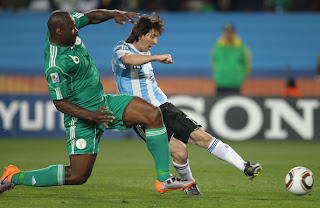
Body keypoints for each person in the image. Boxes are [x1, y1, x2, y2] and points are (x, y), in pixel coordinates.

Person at [0, 10, 195, 195]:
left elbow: (90, 16)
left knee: (152, 114)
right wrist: (93, 116)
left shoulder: (68, 25)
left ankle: (163, 178)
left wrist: (114, 14)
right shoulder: (55, 65)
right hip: (82, 118)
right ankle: (14, 177)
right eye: (72, 29)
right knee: (77, 175)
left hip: (103, 103)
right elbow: (60, 103)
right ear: (59, 32)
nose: (76, 29)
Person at [111, 13, 262, 196]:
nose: (155, 41)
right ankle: (190, 186)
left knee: (202, 136)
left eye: (157, 37)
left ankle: (244, 166)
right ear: (140, 34)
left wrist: (152, 57)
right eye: (153, 36)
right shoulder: (122, 48)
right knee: (180, 152)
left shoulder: (147, 53)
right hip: (142, 115)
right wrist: (157, 58)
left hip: (164, 106)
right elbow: (129, 60)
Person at [211, 23, 251, 95]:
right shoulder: (217, 47)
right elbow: (214, 62)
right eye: (226, 32)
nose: (228, 34)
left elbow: (246, 65)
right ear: (223, 33)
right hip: (220, 82)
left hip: (235, 83)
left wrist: (239, 77)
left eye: (230, 32)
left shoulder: (242, 48)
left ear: (234, 33)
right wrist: (219, 73)